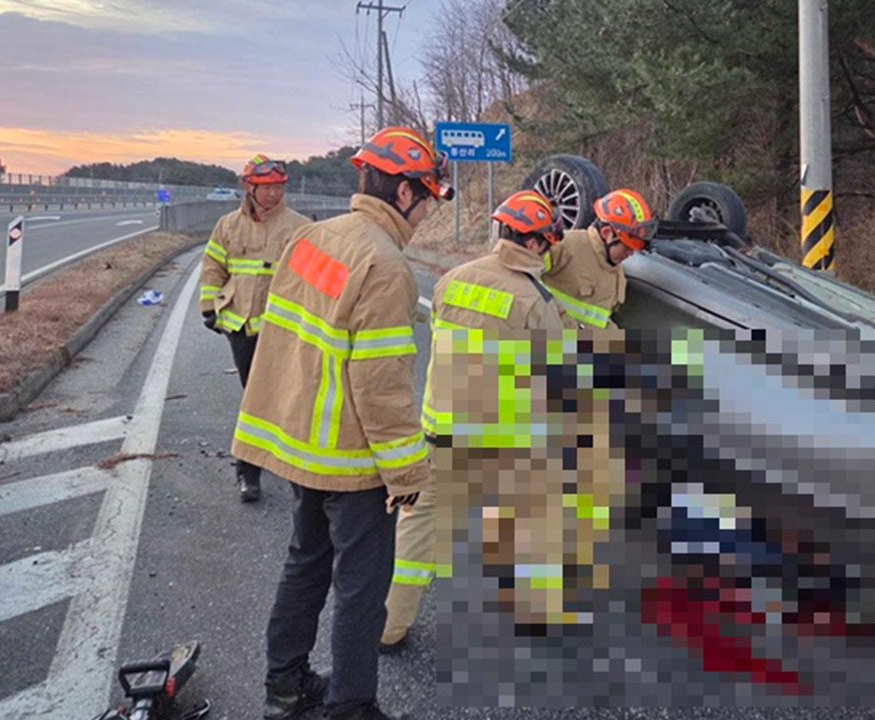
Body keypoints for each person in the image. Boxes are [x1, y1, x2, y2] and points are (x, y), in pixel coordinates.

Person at [231, 126, 452, 720]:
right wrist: (407, 472)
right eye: (429, 195)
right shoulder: (385, 266)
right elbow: (382, 388)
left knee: (305, 563)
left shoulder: (312, 238)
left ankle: (284, 684)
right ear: (405, 193)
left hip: (299, 442)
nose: (429, 209)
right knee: (362, 587)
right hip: (349, 459)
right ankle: (352, 704)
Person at [380, 189, 566, 650]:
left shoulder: (451, 279)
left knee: (415, 536)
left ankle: (387, 629)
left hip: (438, 435)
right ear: (539, 243)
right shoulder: (534, 302)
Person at [198, 155, 310, 502]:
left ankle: (295, 473)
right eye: (266, 188)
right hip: (241, 325)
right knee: (253, 400)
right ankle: (248, 473)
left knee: (289, 399)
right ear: (249, 187)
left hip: (285, 329)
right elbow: (214, 266)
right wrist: (209, 306)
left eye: (278, 187)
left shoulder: (300, 227)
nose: (273, 194)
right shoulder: (228, 226)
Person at [541, 188, 655, 329]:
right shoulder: (566, 246)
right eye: (627, 248)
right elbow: (522, 281)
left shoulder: (616, 274)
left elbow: (600, 323)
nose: (630, 255)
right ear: (607, 233)